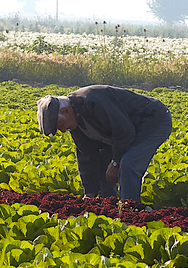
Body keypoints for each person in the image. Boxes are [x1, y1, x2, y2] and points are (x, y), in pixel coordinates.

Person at [36, 85, 173, 206]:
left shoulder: (92, 100)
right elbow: (86, 155)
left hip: (153, 121)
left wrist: (115, 163)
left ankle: (130, 210)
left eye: (60, 125)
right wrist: (90, 192)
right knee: (104, 168)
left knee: (128, 164)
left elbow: (124, 131)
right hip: (119, 134)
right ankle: (109, 206)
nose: (63, 130)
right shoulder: (75, 123)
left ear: (65, 111)